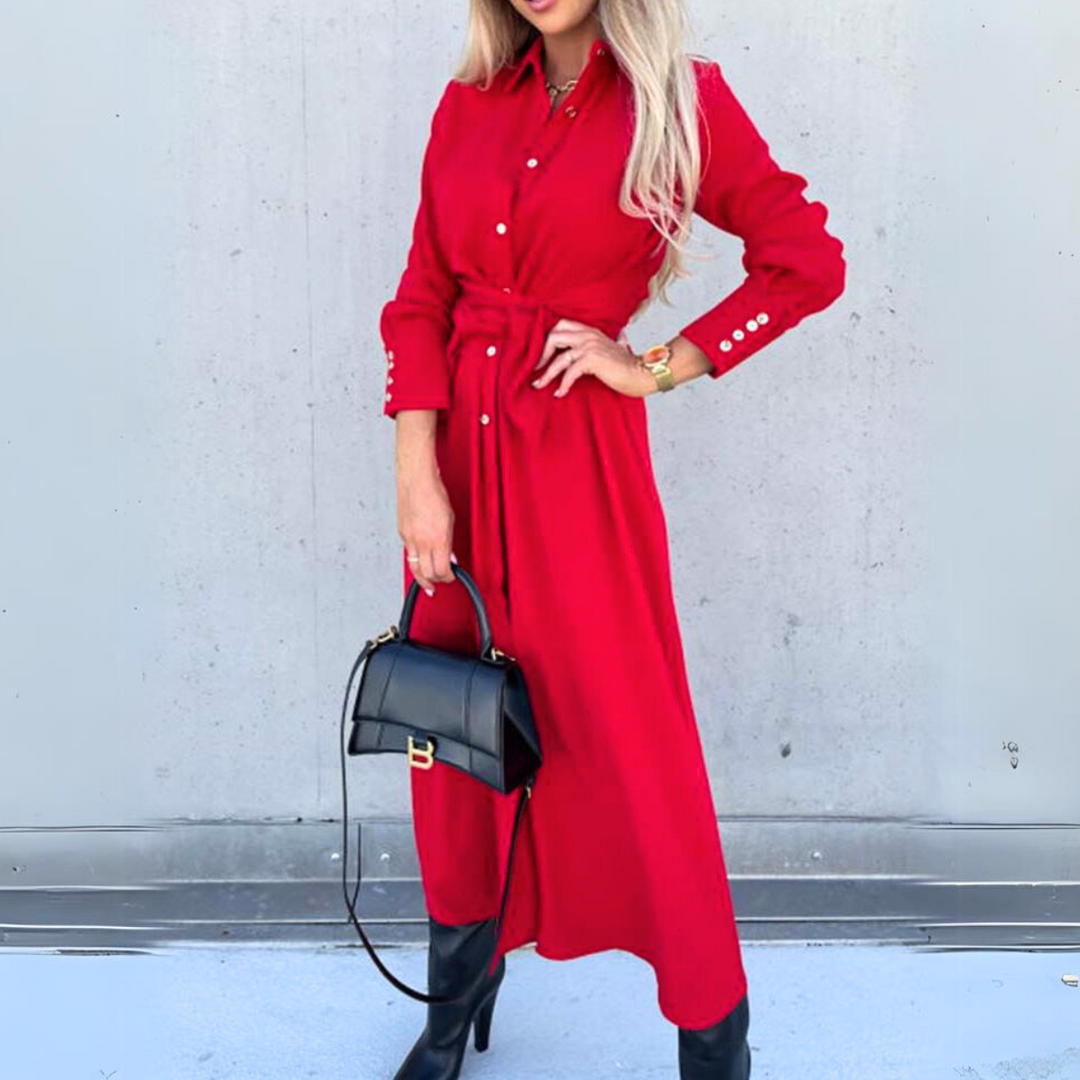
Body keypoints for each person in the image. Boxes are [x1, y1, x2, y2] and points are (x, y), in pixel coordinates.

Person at [377, 1, 845, 1077]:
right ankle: (459, 996)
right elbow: (421, 298)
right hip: (455, 472)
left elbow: (806, 259)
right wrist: (416, 476)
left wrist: (660, 364)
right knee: (454, 746)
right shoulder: (466, 106)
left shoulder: (684, 104)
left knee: (635, 753)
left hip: (579, 474)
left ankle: (712, 1029)